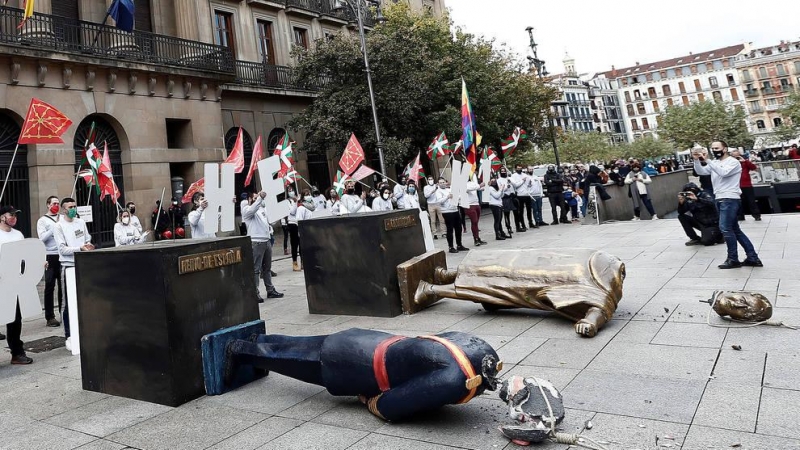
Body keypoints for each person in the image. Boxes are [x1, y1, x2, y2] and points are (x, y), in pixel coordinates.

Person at [223, 329, 501, 422]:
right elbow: (392, 406)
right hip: (359, 363)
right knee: (299, 360)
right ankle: (243, 351)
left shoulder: (478, 347)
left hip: (370, 340)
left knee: (306, 343)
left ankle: (260, 338)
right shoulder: (456, 380)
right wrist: (371, 402)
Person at [694, 141, 763, 269]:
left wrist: (708, 161)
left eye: (717, 148)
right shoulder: (715, 163)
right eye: (713, 148)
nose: (715, 150)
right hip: (720, 198)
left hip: (730, 198)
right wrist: (697, 160)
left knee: (725, 228)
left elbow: (723, 173)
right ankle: (752, 257)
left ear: (724, 149)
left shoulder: (733, 162)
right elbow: (701, 172)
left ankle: (733, 259)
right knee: (735, 230)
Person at [54, 197, 94, 352]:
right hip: (68, 266)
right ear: (64, 209)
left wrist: (87, 245)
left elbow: (87, 238)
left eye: (74, 206)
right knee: (68, 303)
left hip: (83, 264)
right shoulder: (59, 226)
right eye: (70, 207)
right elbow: (62, 249)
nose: (73, 209)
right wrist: (80, 248)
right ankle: (69, 334)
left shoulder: (80, 222)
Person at [0, 205, 34, 364]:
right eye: (11, 215)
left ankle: (17, 352)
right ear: (2, 217)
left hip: (14, 282)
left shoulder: (18, 234)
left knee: (15, 319)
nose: (14, 217)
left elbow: (24, 257)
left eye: (15, 215)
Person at [242, 191, 284, 302]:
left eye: (258, 197)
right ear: (250, 199)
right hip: (256, 242)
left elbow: (270, 222)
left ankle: (270, 290)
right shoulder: (247, 210)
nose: (258, 199)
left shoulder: (262, 210)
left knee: (267, 268)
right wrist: (260, 198)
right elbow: (252, 209)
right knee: (256, 269)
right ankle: (255, 293)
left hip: (266, 240)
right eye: (255, 197)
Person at [36, 196, 62, 327]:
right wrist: (54, 227)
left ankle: (63, 312)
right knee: (50, 286)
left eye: (58, 203)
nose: (56, 205)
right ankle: (50, 316)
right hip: (50, 255)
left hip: (62, 255)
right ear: (48, 205)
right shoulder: (43, 221)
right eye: (54, 203)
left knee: (63, 286)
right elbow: (42, 238)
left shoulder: (62, 218)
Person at [678, 182, 721, 246]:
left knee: (707, 242)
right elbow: (681, 212)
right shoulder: (688, 199)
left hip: (711, 223)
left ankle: (719, 235)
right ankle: (695, 238)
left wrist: (697, 199)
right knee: (682, 217)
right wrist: (681, 204)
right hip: (700, 221)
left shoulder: (704, 195)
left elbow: (712, 203)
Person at [731, 149, 761, 221]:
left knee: (751, 201)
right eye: (734, 157)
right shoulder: (730, 164)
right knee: (738, 202)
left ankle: (756, 215)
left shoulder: (745, 162)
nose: (737, 158)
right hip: (736, 185)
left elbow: (754, 168)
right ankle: (740, 216)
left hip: (747, 185)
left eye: (737, 156)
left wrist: (745, 161)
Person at [439, 178, 467, 254]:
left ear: (446, 182)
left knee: (458, 228)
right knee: (450, 229)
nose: (442, 183)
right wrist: (447, 197)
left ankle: (459, 245)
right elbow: (439, 201)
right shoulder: (438, 191)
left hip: (455, 210)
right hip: (447, 212)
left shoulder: (449, 189)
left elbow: (458, 197)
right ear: (438, 184)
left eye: (443, 182)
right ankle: (451, 247)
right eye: (440, 183)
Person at [464, 176, 487, 247]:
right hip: (469, 205)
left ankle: (477, 237)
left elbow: (477, 188)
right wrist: (479, 186)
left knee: (476, 222)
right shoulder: (462, 183)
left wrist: (482, 188)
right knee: (474, 221)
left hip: (476, 203)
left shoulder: (473, 183)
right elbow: (467, 189)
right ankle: (475, 239)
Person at [497, 168, 518, 237]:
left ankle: (518, 226)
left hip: (512, 196)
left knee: (516, 212)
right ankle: (508, 227)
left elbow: (515, 185)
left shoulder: (510, 178)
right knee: (507, 214)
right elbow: (500, 189)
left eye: (504, 171)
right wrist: (506, 187)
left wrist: (511, 182)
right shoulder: (499, 180)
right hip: (505, 197)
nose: (503, 172)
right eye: (502, 171)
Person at [510, 165, 531, 232]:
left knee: (529, 210)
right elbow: (516, 185)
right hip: (519, 195)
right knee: (520, 211)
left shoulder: (525, 175)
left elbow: (528, 184)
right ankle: (522, 224)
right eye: (518, 168)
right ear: (515, 169)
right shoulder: (513, 176)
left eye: (520, 168)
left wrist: (529, 183)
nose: (519, 169)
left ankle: (530, 222)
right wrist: (522, 181)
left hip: (527, 194)